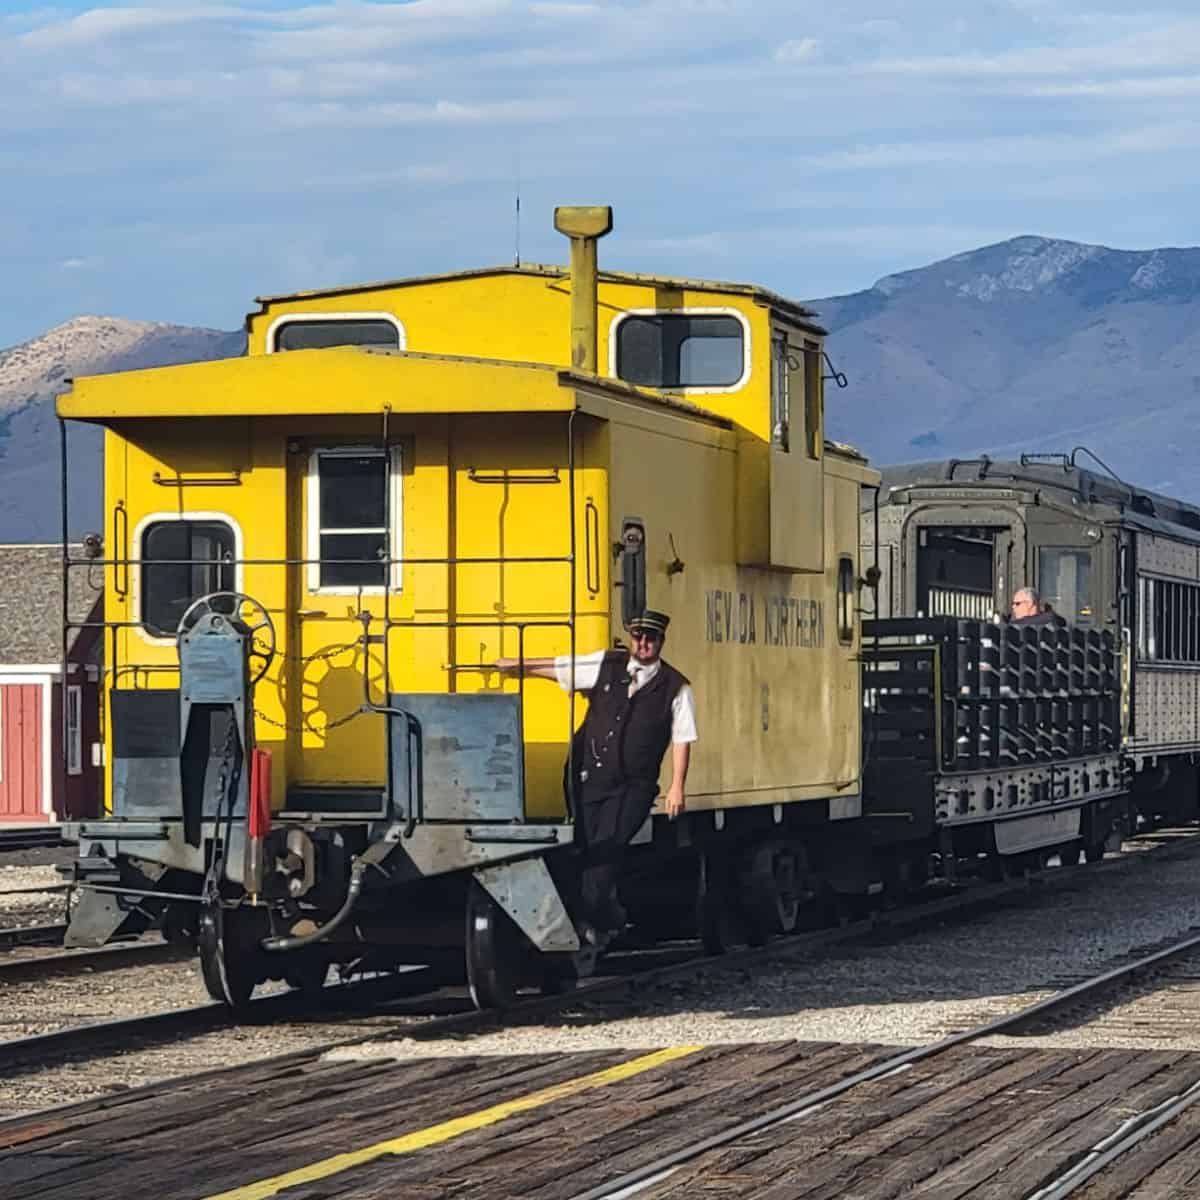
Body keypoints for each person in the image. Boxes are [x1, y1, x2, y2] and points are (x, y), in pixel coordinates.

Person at [495, 609, 697, 934]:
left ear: (661, 642)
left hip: (634, 787)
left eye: (651, 639)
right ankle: (593, 919)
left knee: (608, 847)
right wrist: (518, 666)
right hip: (589, 779)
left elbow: (682, 739)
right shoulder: (607, 664)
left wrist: (677, 787)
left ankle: (602, 916)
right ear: (631, 637)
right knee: (584, 847)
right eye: (638, 637)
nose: (643, 644)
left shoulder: (676, 687)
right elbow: (560, 666)